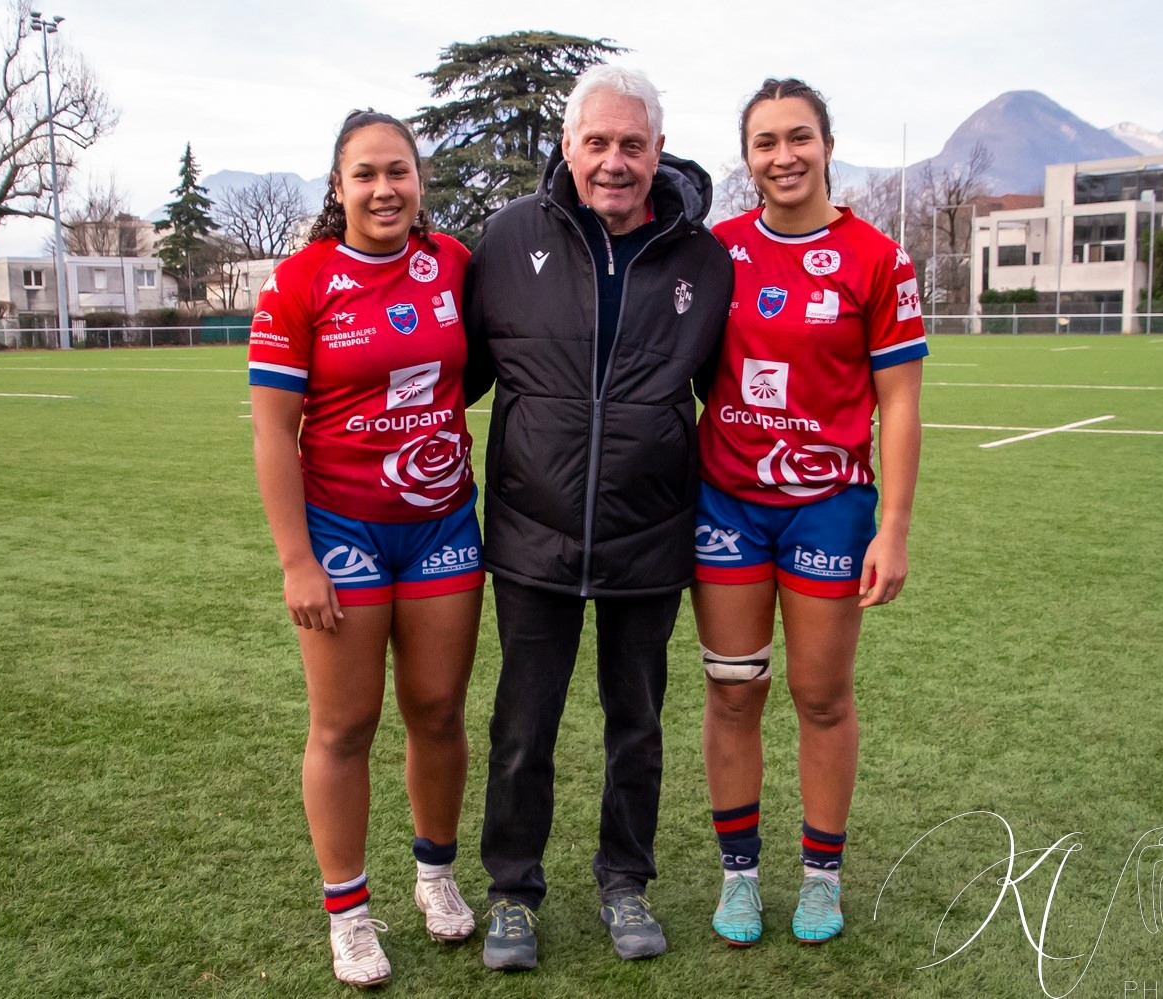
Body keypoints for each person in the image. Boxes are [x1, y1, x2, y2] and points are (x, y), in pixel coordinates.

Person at [462, 65, 731, 970]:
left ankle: (625, 881)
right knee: (521, 727)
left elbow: (728, 397)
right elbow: (451, 374)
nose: (614, 162)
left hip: (650, 535)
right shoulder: (505, 240)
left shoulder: (703, 258)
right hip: (533, 535)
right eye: (597, 143)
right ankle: (511, 892)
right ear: (568, 148)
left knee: (638, 724)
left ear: (658, 151)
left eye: (632, 145)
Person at [248, 110, 483, 987]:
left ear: (419, 181)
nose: (384, 189)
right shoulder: (301, 281)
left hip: (443, 527)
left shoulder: (455, 264)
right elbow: (274, 433)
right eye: (365, 175)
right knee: (345, 724)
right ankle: (348, 912)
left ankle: (435, 874)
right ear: (339, 187)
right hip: (341, 530)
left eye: (399, 171)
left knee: (436, 709)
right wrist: (296, 559)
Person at [693, 78, 926, 947]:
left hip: (829, 506)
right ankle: (740, 877)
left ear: (827, 144)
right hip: (728, 505)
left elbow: (899, 404)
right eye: (765, 142)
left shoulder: (878, 258)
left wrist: (892, 527)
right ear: (747, 156)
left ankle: (821, 878)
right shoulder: (717, 254)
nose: (783, 156)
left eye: (799, 138)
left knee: (821, 695)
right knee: (731, 689)